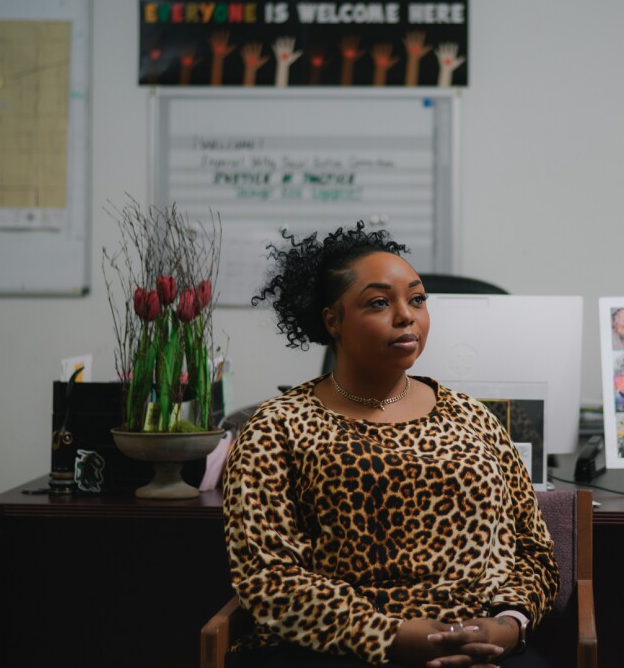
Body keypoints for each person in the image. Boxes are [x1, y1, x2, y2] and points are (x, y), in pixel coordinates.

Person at [222, 223, 558, 668]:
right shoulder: (274, 428)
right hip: (336, 646)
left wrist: (508, 625)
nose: (407, 316)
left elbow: (533, 550)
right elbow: (268, 576)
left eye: (417, 299)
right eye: (380, 303)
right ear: (332, 320)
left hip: (482, 644)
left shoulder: (473, 417)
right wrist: (390, 636)